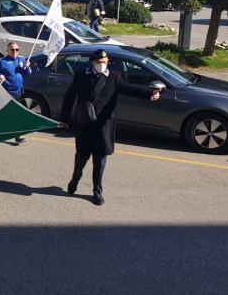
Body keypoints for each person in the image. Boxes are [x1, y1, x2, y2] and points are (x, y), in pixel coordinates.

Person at [58, 49, 161, 206]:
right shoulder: (81, 75)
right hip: (84, 125)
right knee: (81, 158)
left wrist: (149, 94)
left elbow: (129, 88)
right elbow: (70, 96)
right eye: (99, 62)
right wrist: (64, 118)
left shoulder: (114, 77)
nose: (102, 65)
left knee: (100, 162)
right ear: (92, 62)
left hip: (103, 126)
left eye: (104, 62)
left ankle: (97, 192)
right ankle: (75, 179)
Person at [0, 42, 33, 145]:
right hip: (8, 92)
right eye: (12, 50)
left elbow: (28, 74)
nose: (15, 52)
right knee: (16, 114)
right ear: (7, 50)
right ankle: (17, 136)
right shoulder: (3, 61)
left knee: (7, 114)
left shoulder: (21, 59)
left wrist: (27, 67)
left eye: (17, 49)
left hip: (19, 91)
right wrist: (0, 75)